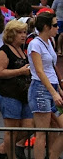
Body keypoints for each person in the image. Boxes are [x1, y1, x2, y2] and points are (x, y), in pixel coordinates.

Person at [0, 20, 33, 159]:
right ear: (11, 34)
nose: (23, 35)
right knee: (12, 130)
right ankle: (11, 156)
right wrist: (20, 71)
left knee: (30, 126)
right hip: (8, 94)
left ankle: (2, 148)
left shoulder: (22, 50)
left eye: (24, 32)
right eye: (19, 32)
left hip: (24, 93)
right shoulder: (5, 50)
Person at [27, 12, 63, 159]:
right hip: (40, 89)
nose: (57, 28)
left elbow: (52, 68)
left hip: (52, 86)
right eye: (55, 25)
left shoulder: (50, 42)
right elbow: (40, 71)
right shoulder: (35, 44)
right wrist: (54, 93)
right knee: (42, 132)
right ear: (46, 27)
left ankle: (53, 155)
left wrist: (58, 89)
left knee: (57, 127)